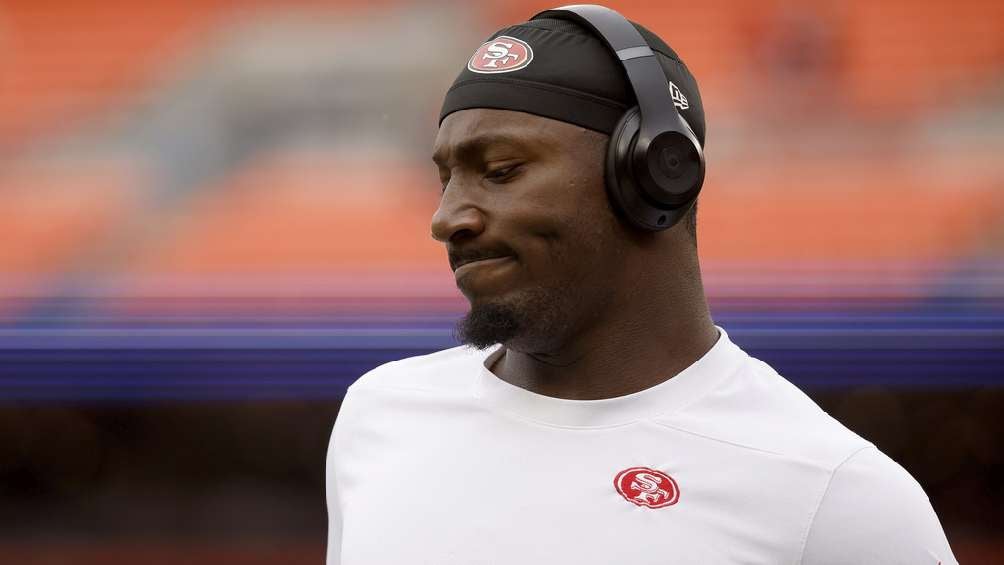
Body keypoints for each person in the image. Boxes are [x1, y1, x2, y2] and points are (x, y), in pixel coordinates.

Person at [325, 5, 957, 564]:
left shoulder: (834, 494)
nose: (446, 219)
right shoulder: (380, 416)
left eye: (501, 170)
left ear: (655, 173)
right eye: (446, 180)